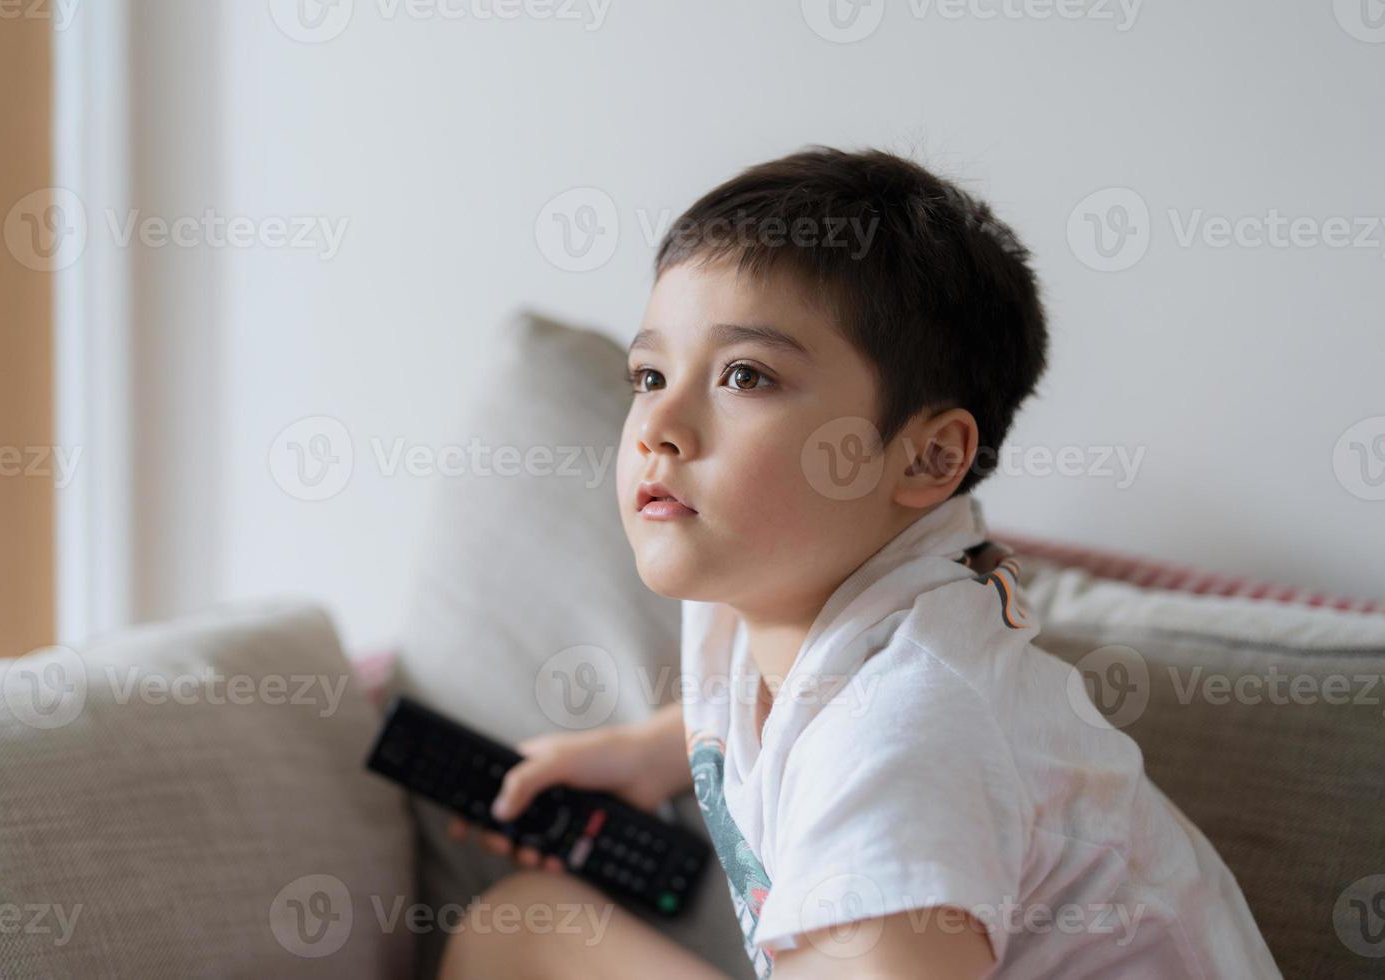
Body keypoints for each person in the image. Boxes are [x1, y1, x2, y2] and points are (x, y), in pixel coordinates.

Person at [438, 146, 1281, 979]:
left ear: (925, 460)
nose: (659, 424)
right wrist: (649, 751)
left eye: (744, 375)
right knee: (520, 931)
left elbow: (882, 744)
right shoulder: (758, 594)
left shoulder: (909, 737)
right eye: (649, 373)